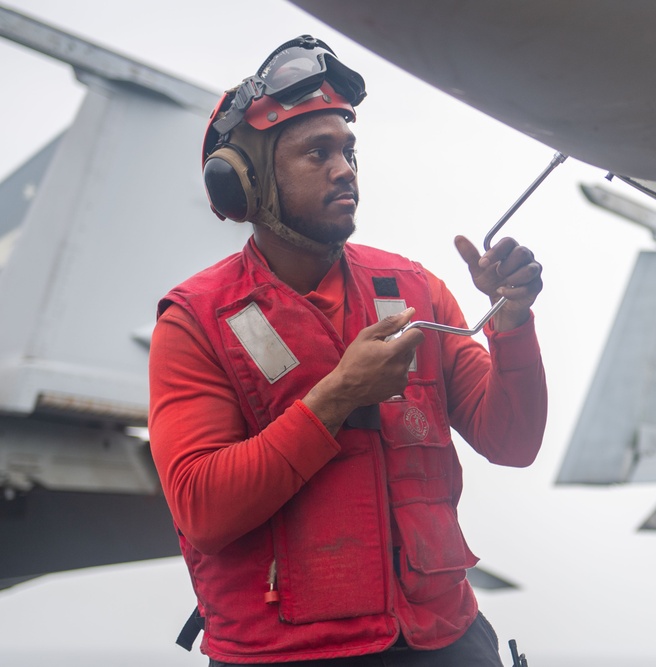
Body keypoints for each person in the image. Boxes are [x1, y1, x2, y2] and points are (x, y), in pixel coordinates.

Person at [147, 36, 547, 666]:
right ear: (245, 184)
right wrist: (336, 398)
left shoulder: (414, 289)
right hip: (286, 654)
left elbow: (514, 441)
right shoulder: (196, 321)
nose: (344, 169)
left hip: (444, 640)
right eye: (317, 153)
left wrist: (513, 322)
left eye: (349, 151)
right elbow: (202, 507)